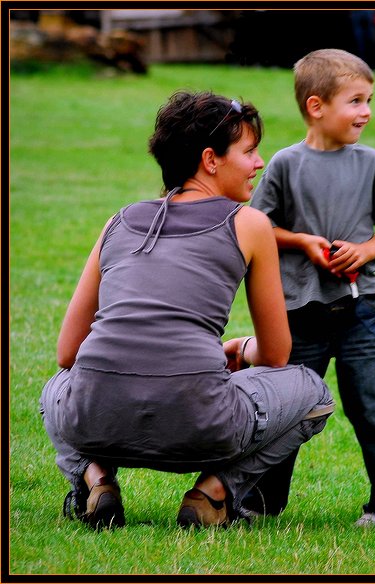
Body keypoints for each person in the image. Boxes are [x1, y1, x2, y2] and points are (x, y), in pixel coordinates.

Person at [39, 90, 335, 530]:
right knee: (313, 393)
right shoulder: (249, 223)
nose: (259, 163)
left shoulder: (119, 220)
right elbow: (276, 356)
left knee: (55, 389)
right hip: (200, 426)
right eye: (249, 151)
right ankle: (212, 493)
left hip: (96, 421)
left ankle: (95, 477)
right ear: (210, 160)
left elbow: (68, 354)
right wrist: (239, 348)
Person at [248, 48, 375, 527]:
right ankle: (263, 502)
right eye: (356, 101)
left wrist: (365, 251)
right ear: (317, 106)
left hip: (361, 313)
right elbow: (257, 226)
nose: (367, 111)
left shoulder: (374, 164)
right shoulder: (284, 164)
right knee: (288, 410)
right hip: (300, 312)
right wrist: (301, 240)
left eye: (369, 100)